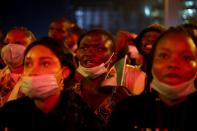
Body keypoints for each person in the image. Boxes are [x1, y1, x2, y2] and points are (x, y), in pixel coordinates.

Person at [0, 37, 103, 131]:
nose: (32, 71)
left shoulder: (78, 112)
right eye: (28, 63)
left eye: (45, 63)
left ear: (64, 72)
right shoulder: (12, 111)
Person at [107, 26, 197, 130]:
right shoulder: (127, 110)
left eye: (186, 57)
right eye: (164, 56)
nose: (173, 64)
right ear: (152, 62)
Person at [67, 28, 130, 124]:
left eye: (99, 48)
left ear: (113, 57)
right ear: (77, 54)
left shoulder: (122, 98)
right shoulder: (67, 93)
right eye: (84, 48)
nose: (89, 53)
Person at [0, 27, 36, 106]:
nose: (9, 47)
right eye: (6, 43)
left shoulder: (38, 80)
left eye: (18, 43)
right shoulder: (2, 75)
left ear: (32, 48)